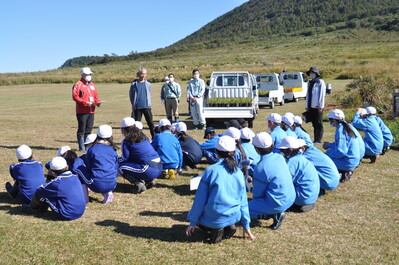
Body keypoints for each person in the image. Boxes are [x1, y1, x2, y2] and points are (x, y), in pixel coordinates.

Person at [186, 136, 255, 244]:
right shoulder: (238, 172)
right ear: (234, 151)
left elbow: (200, 200)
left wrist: (193, 222)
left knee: (198, 215)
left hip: (213, 217)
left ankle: (215, 229)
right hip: (234, 216)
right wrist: (246, 225)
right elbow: (243, 201)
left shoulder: (210, 171)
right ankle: (228, 225)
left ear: (216, 152)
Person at [249, 132, 295, 230]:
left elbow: (257, 194)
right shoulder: (280, 157)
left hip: (277, 203)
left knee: (242, 208)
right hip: (290, 198)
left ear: (256, 149)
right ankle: (273, 212)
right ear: (273, 144)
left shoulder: (261, 167)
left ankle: (271, 215)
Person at [118, 117, 162, 194]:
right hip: (159, 166)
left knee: (122, 167)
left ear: (123, 129)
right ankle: (149, 180)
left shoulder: (127, 141)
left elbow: (125, 158)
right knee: (136, 163)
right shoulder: (144, 136)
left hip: (148, 169)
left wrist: (115, 159)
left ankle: (139, 185)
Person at [77, 125, 118, 203]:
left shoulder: (92, 149)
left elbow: (89, 167)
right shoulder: (113, 150)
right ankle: (108, 192)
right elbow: (114, 166)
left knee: (80, 169)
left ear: (97, 136)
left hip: (96, 184)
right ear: (111, 136)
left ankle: (85, 199)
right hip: (113, 184)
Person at [279, 137, 320, 212]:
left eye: (282, 150)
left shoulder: (292, 162)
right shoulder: (300, 158)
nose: (281, 152)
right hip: (311, 194)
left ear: (290, 150)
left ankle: (298, 203)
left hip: (303, 196)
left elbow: (284, 182)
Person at [323, 109, 361, 182]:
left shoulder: (340, 130)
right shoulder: (345, 126)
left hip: (348, 161)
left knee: (325, 160)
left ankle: (340, 172)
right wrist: (329, 145)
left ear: (334, 120)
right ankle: (343, 171)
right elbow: (340, 145)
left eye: (330, 119)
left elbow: (341, 152)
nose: (330, 121)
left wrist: (327, 154)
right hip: (353, 159)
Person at [72, 67, 102, 152]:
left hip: (91, 110)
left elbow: (95, 96)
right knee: (82, 129)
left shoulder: (92, 85)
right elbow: (75, 97)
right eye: (87, 74)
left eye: (90, 74)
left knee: (89, 129)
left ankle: (87, 145)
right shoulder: (78, 85)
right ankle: (82, 148)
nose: (89, 76)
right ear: (82, 75)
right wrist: (85, 102)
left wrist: (98, 102)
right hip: (82, 111)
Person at [129, 66, 155, 138]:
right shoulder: (134, 84)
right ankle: (137, 138)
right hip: (137, 107)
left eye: (145, 74)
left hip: (146, 106)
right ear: (138, 74)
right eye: (142, 74)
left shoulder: (148, 84)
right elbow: (131, 95)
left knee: (150, 123)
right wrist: (134, 104)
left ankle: (154, 137)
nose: (143, 75)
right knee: (137, 125)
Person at [305, 66, 326, 144]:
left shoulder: (320, 82)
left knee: (319, 123)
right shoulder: (310, 83)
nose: (311, 74)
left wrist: (320, 106)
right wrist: (307, 106)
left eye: (313, 73)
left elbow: (321, 94)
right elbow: (308, 95)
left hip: (318, 107)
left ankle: (318, 139)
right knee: (314, 123)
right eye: (310, 73)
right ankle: (315, 139)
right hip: (311, 106)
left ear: (316, 74)